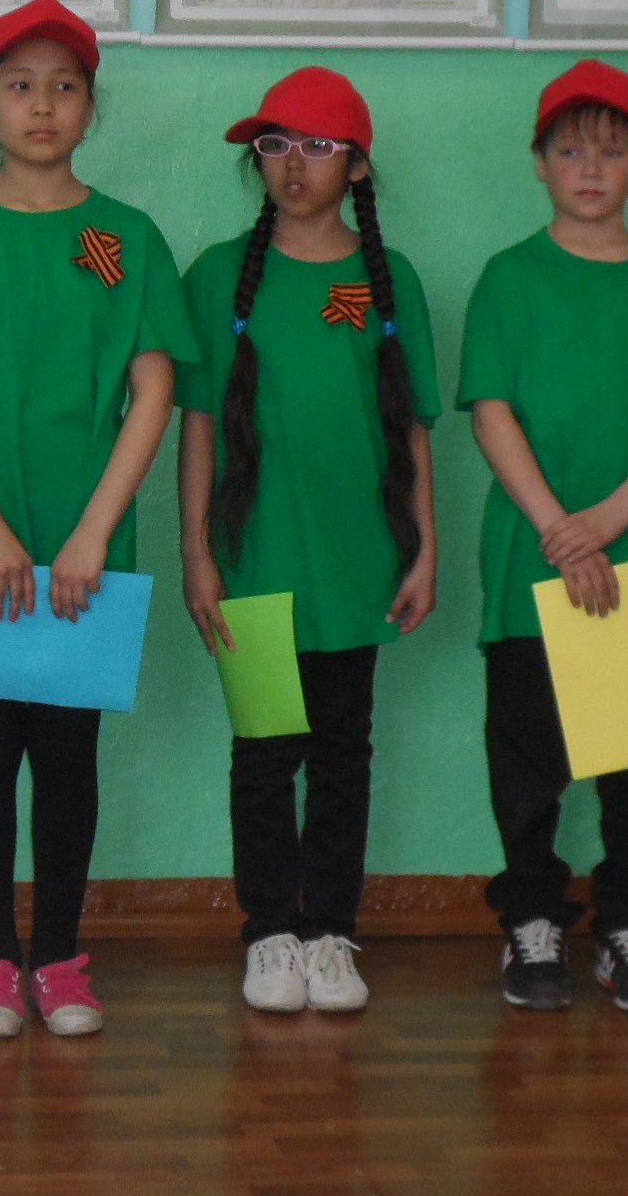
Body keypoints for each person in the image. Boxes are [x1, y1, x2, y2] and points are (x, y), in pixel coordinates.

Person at [0, 0, 197, 1039]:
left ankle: (60, 960)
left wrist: (95, 530)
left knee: (68, 759)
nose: (43, 105)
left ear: (91, 106)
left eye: (65, 86)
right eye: (19, 85)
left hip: (86, 541)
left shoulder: (126, 237)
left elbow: (153, 389)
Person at [460, 60, 628, 1015]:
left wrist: (607, 522)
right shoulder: (509, 277)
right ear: (538, 163)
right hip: (531, 558)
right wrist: (558, 530)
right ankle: (532, 921)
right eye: (569, 150)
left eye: (610, 151)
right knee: (529, 758)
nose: (588, 168)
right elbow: (491, 410)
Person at [176, 67, 441, 1016]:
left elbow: (412, 429)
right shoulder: (216, 276)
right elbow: (197, 427)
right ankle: (269, 934)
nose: (295, 165)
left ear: (357, 167)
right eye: (276, 145)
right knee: (263, 754)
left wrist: (425, 549)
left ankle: (330, 931)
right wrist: (197, 554)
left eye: (320, 147)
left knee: (341, 755)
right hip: (253, 562)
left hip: (358, 561)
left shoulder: (389, 279)